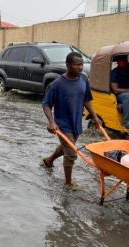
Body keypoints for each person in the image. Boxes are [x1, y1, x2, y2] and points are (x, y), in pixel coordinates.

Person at [42, 52, 101, 187]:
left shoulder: (84, 79)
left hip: (76, 122)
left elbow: (87, 100)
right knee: (71, 154)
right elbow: (46, 104)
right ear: (68, 65)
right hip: (63, 124)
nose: (80, 67)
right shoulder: (57, 84)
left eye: (82, 64)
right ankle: (68, 184)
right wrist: (51, 121)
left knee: (68, 146)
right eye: (77, 65)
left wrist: (95, 117)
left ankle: (49, 160)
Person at [110, 55, 129, 128]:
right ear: (117, 62)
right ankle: (127, 121)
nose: (122, 61)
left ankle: (122, 105)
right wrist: (127, 90)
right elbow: (115, 90)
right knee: (127, 96)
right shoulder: (115, 73)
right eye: (120, 60)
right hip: (120, 94)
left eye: (123, 60)